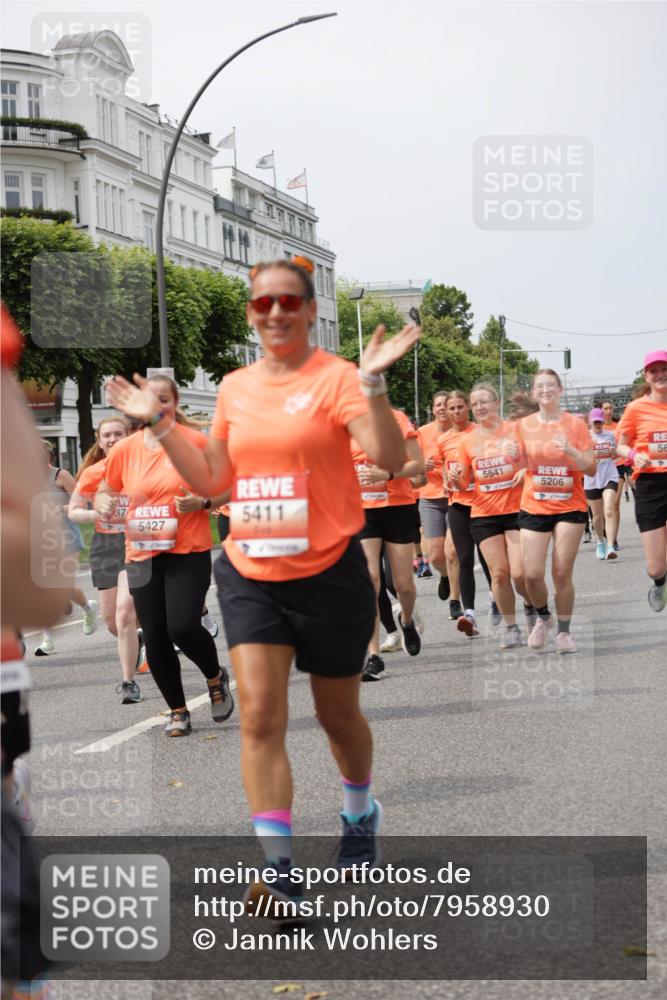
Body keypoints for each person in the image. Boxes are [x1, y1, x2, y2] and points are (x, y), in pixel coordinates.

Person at [105, 256, 419, 904]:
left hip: (329, 569)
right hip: (250, 570)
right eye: (262, 303)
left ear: (308, 310)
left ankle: (359, 814)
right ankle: (279, 867)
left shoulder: (336, 379)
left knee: (337, 718)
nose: (274, 311)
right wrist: (161, 426)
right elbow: (214, 480)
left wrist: (373, 386)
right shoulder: (234, 387)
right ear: (252, 314)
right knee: (259, 717)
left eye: (287, 301)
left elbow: (390, 460)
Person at [98, 376, 234, 736]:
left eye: (164, 399)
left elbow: (226, 489)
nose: (157, 406)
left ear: (175, 403)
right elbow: (106, 488)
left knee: (183, 626)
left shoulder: (194, 441)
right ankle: (177, 709)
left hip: (186, 551)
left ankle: (215, 676)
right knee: (155, 633)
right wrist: (103, 501)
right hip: (141, 552)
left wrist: (202, 503)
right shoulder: (125, 449)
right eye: (151, 400)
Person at [514, 369, 596, 653]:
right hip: (534, 505)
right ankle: (543, 616)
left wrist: (572, 451)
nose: (545, 390)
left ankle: (563, 632)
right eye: (540, 386)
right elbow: (517, 462)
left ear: (560, 390)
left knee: (561, 574)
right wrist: (514, 457)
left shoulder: (575, 424)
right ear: (534, 393)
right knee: (531, 576)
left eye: (551, 385)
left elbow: (591, 467)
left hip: (569, 506)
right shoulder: (523, 425)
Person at [68, 416, 144, 703]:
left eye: (118, 434)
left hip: (137, 543)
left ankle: (128, 682)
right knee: (112, 621)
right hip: (105, 545)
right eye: (107, 436)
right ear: (100, 442)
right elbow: (74, 510)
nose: (112, 440)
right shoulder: (93, 473)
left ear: (128, 437)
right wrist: (95, 514)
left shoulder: (141, 469)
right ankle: (137, 639)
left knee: (125, 612)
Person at [351, 407, 425, 680]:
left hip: (397, 507)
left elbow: (417, 465)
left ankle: (406, 622)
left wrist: (388, 475)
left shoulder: (396, 419)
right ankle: (373, 656)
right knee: (369, 579)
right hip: (362, 511)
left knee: (403, 583)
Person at [454, 383, 529, 649]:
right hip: (484, 513)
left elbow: (538, 459)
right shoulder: (467, 441)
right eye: (475, 404)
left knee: (520, 574)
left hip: (517, 510)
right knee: (499, 573)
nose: (479, 407)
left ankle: (532, 603)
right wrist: (455, 480)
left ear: (496, 402)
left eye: (484, 401)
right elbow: (464, 484)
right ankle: (512, 627)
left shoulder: (516, 430)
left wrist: (525, 466)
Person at [435, 390, 493, 634]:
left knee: (489, 558)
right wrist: (447, 480)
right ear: (446, 413)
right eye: (452, 408)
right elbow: (445, 472)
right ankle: (469, 614)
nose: (456, 411)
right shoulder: (443, 441)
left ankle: (496, 598)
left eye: (460, 407)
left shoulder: (480, 434)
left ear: (467, 408)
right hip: (458, 503)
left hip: (483, 502)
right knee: (464, 557)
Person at [33, 442, 97, 655]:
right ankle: (47, 641)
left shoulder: (61, 476)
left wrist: (59, 509)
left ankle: (88, 609)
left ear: (48, 455)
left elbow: (84, 504)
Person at [616, 350, 667, 612]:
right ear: (646, 376)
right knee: (656, 566)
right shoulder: (636, 409)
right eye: (654, 371)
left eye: (664, 369)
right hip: (650, 485)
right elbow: (621, 446)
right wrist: (635, 455)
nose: (660, 375)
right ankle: (660, 581)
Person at [417, 391, 454, 601]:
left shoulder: (461, 433)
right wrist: (421, 466)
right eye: (438, 404)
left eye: (445, 404)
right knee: (436, 554)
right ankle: (445, 575)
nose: (441, 408)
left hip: (455, 497)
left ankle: (457, 601)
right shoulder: (422, 433)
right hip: (430, 497)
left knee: (452, 551)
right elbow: (409, 463)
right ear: (433, 409)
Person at [584, 408, 619, 560]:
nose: (598, 424)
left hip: (609, 475)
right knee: (597, 517)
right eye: (595, 422)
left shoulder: (610, 435)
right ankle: (600, 541)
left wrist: (613, 452)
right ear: (590, 423)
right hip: (591, 479)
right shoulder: (584, 437)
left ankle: (610, 546)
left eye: (600, 421)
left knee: (609, 510)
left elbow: (617, 453)